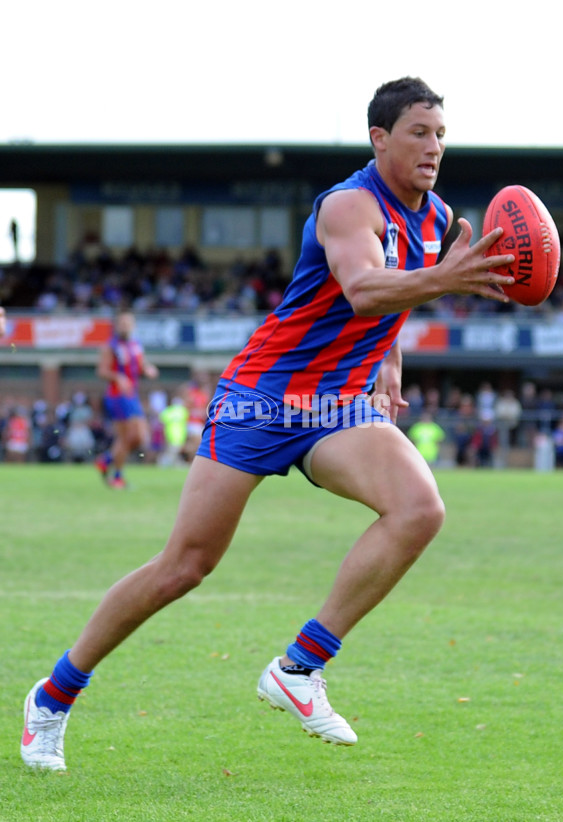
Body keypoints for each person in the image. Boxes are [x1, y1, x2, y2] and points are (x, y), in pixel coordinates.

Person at [21, 77, 516, 770]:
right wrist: (445, 281)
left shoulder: (436, 219)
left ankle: (299, 668)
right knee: (185, 565)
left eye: (441, 134)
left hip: (335, 406)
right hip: (263, 398)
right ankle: (53, 695)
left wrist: (390, 361)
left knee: (418, 509)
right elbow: (365, 286)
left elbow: (389, 298)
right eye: (419, 133)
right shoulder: (348, 205)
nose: (434, 147)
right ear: (380, 139)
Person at [94, 310, 159, 488]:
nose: (124, 326)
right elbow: (102, 371)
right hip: (117, 396)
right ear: (117, 326)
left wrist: (148, 370)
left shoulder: (136, 345)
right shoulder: (111, 346)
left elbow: (140, 366)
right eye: (121, 323)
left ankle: (107, 461)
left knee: (134, 439)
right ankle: (116, 476)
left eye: (128, 323)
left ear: (133, 326)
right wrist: (118, 378)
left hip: (132, 395)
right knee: (131, 437)